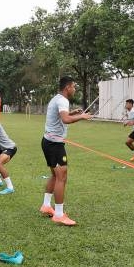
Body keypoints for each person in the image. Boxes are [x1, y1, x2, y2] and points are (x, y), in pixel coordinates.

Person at [40, 76, 92, 226]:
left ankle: (46, 205)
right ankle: (58, 214)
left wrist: (74, 112)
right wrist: (81, 116)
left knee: (55, 176)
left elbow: (62, 116)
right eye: (74, 87)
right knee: (62, 177)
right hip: (55, 144)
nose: (75, 89)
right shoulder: (63, 100)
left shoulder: (56, 98)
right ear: (67, 87)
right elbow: (65, 120)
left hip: (47, 141)